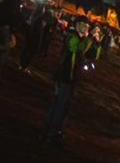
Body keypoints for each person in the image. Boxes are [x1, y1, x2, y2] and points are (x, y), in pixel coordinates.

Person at [39, 17, 92, 147]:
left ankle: (47, 131)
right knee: (61, 106)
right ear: (78, 24)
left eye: (88, 26)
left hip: (70, 77)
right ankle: (52, 133)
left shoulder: (78, 38)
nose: (86, 28)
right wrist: (89, 38)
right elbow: (78, 49)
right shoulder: (72, 37)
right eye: (85, 25)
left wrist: (95, 42)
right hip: (66, 76)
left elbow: (92, 54)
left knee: (58, 103)